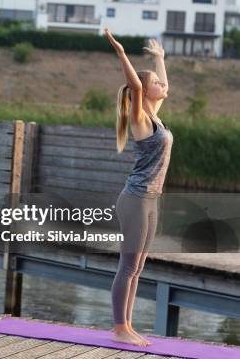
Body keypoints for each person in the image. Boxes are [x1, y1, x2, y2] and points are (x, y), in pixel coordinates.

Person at [106, 29, 173, 346]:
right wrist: (121, 53)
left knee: (138, 267)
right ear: (145, 92)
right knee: (128, 265)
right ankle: (120, 328)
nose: (163, 86)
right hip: (134, 199)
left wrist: (160, 59)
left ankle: (128, 326)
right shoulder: (140, 119)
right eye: (157, 84)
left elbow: (163, 85)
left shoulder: (156, 119)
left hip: (152, 199)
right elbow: (134, 85)